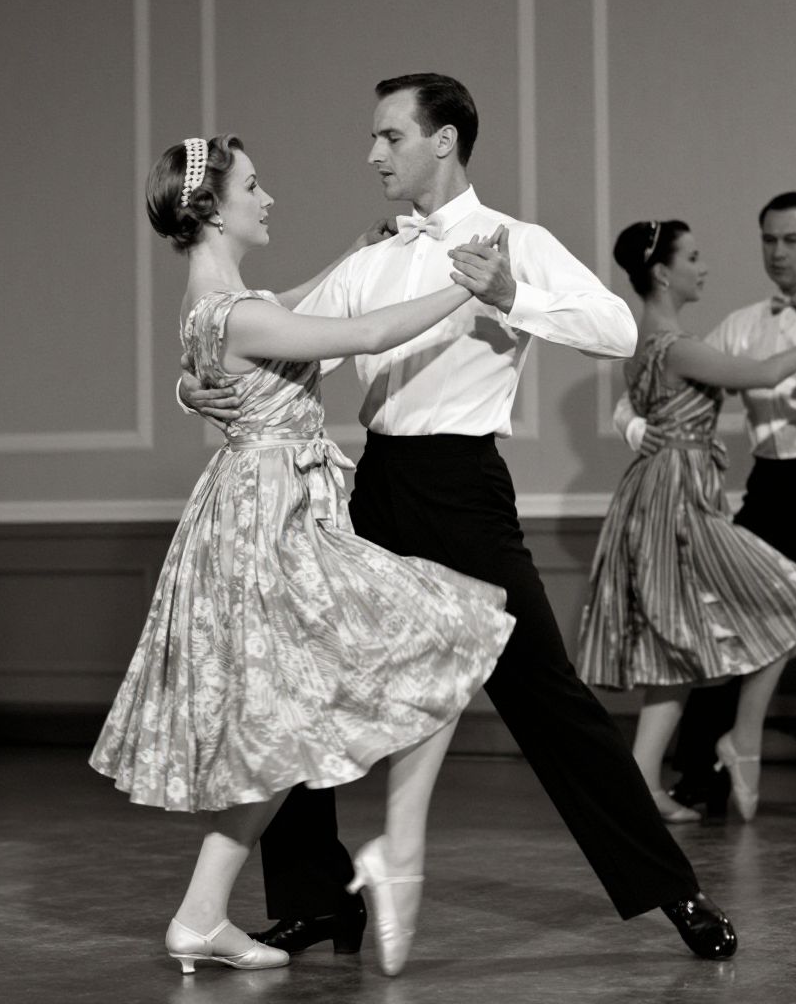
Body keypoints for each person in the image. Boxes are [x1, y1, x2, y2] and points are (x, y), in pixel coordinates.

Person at [180, 73, 738, 961]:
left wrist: (515, 296)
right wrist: (194, 386)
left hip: (464, 487)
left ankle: (674, 890)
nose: (373, 154)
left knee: (545, 695)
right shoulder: (373, 256)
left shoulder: (517, 241)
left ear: (443, 141)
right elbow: (268, 337)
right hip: (373, 487)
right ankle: (318, 902)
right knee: (303, 689)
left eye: (390, 136)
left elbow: (617, 331)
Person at [90, 134, 517, 977]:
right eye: (253, 186)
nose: (268, 198)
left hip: (259, 510)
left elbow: (284, 308)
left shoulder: (215, 303)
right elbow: (365, 330)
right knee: (454, 627)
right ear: (214, 210)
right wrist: (463, 286)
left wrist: (351, 254)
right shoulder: (238, 313)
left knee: (284, 730)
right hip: (271, 522)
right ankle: (397, 851)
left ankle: (200, 915)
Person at [578, 219, 796, 826]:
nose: (703, 266)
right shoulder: (677, 347)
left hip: (664, 489)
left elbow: (641, 405)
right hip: (676, 497)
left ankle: (641, 783)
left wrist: (635, 425)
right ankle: (742, 736)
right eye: (692, 256)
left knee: (676, 646)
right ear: (663, 272)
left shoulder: (649, 343)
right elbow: (765, 375)